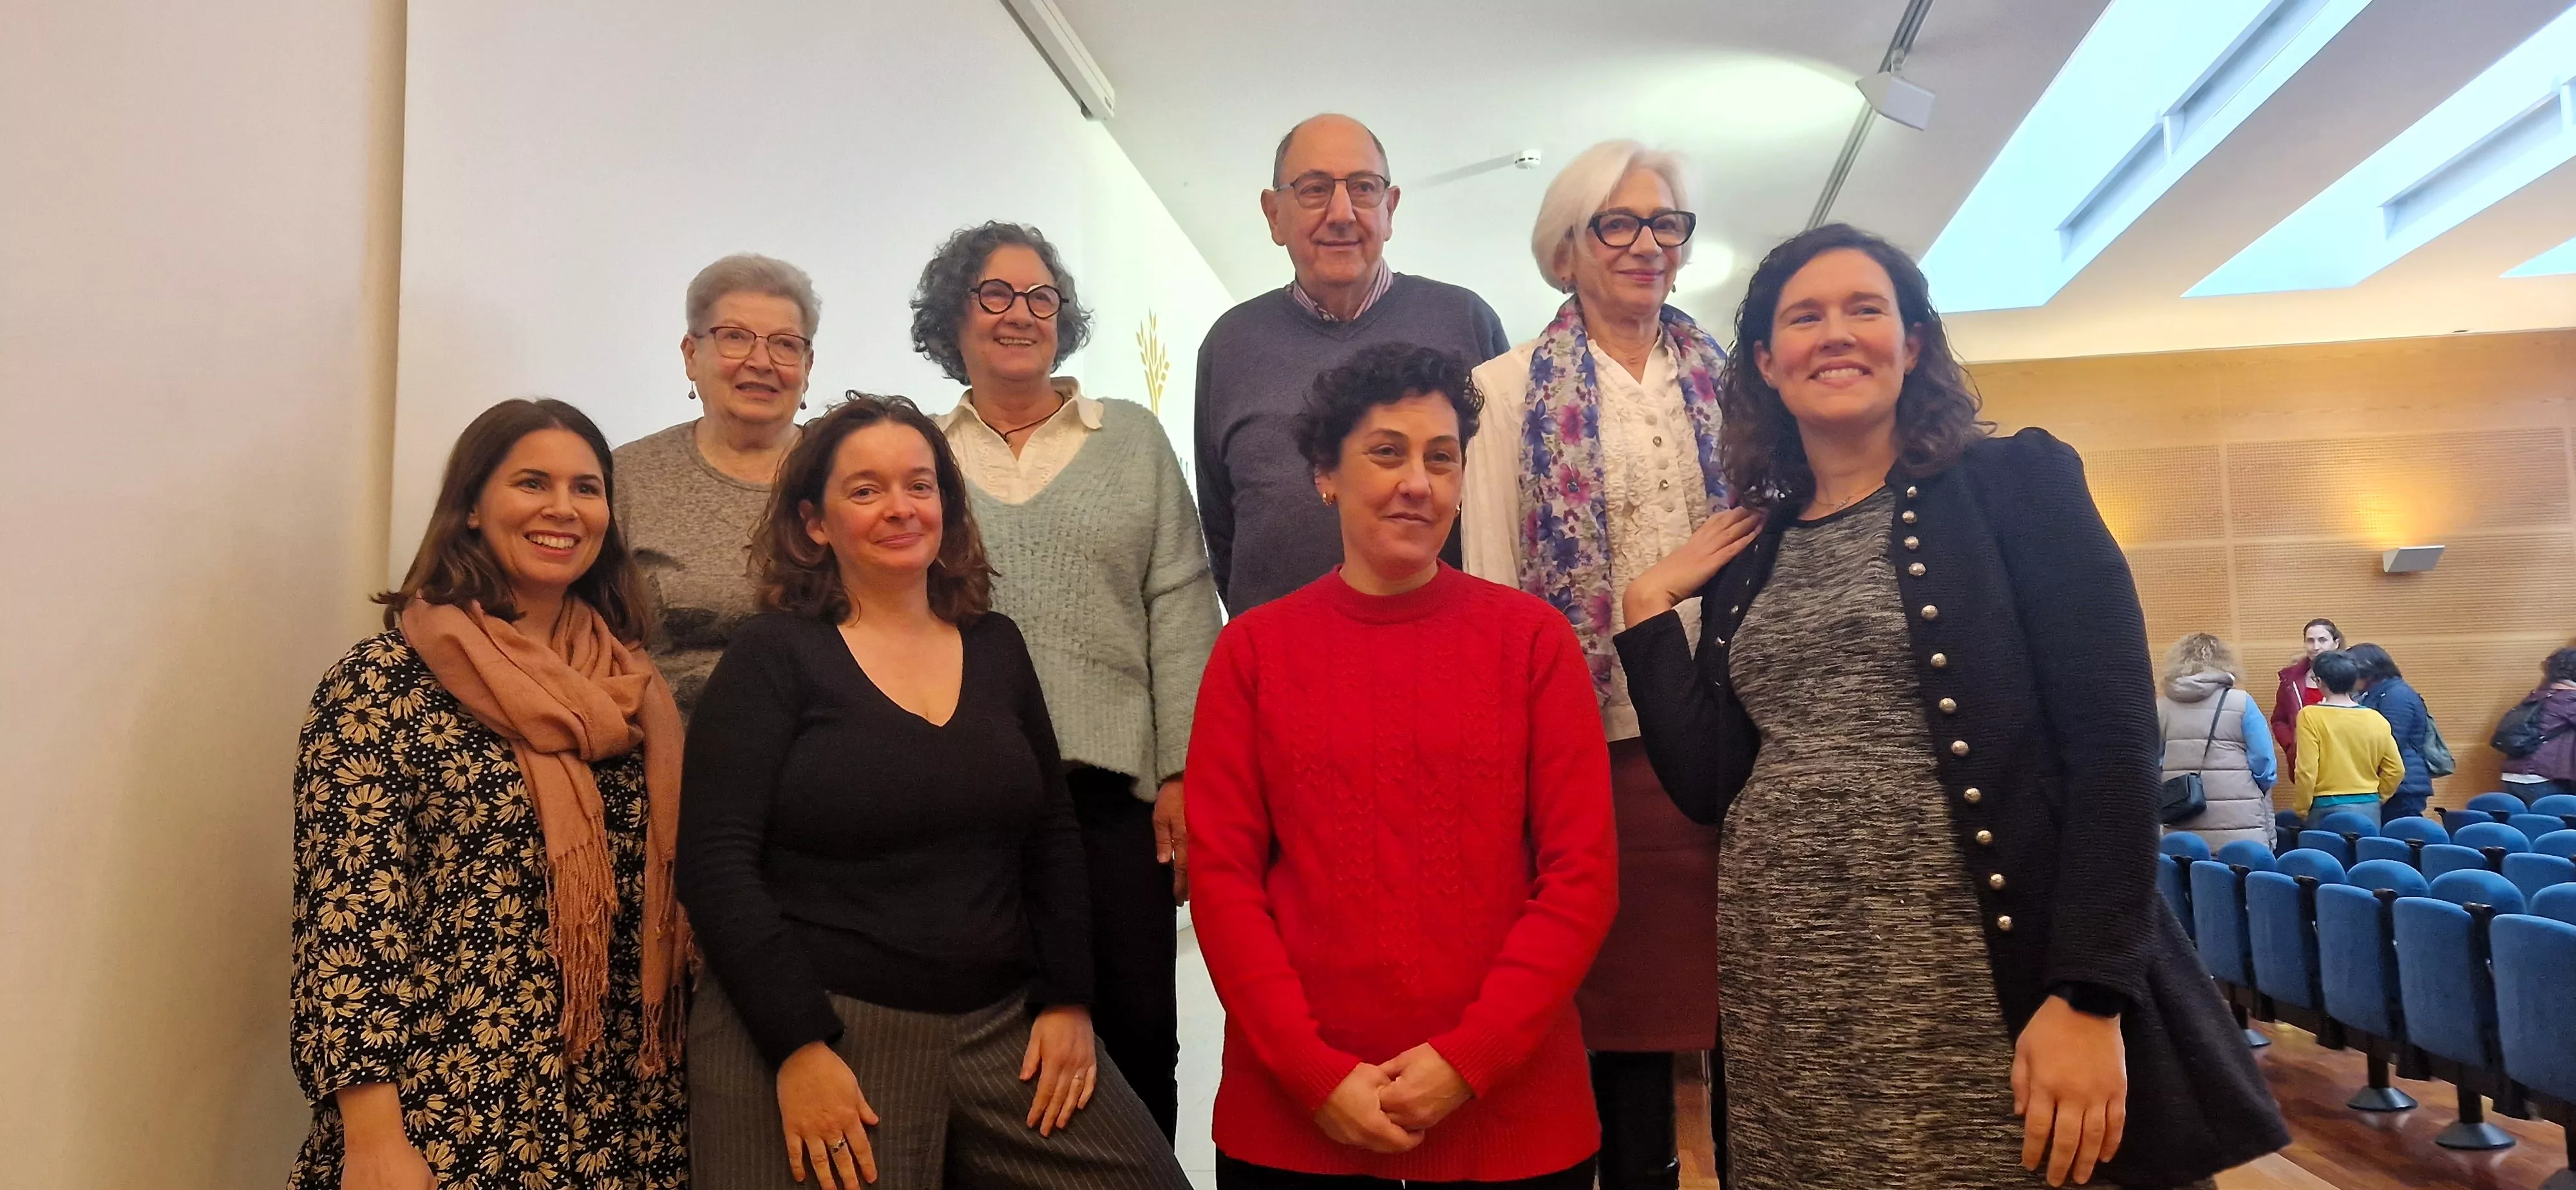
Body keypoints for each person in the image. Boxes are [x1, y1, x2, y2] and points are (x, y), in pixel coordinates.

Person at [1613, 223, 2285, 1190]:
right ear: (1765, 359)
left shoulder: (2016, 484)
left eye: (1865, 310)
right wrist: (1645, 611)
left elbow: (2114, 748)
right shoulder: (1749, 550)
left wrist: (2090, 995)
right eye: (1805, 317)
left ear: (1913, 342)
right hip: (1790, 998)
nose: (1836, 334)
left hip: (1974, 981)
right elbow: (1713, 781)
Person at [677, 395, 1188, 1190]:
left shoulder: (994, 645)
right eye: (865, 490)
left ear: (948, 508)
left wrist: (1067, 1000)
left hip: (1000, 1027)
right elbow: (714, 863)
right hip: (819, 1025)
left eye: (920, 486)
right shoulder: (772, 655)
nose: (899, 508)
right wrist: (798, 1046)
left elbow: (1049, 833)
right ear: (816, 523)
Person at [1188, 343, 1619, 1187]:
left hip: (1513, 1121)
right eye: (1386, 452)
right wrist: (1314, 1074)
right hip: (1297, 1122)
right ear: (1326, 474)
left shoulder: (1533, 643)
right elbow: (1224, 880)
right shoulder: (1253, 653)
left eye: (1441, 457)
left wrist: (1469, 1059)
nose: (1416, 481)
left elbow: (1582, 877)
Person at [289, 398, 689, 1189]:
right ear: (471, 506)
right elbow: (348, 923)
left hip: (619, 1112)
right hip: (451, 1106)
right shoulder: (380, 684)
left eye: (586, 488)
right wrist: (373, 1139)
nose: (562, 510)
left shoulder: (631, 690)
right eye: (531, 483)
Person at [913, 220, 1222, 1139]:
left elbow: (1180, 601)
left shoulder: (1130, 438)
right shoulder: (917, 451)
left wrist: (1181, 771)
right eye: (995, 295)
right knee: (987, 1042)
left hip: (1111, 802)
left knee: (1132, 1034)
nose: (1021, 315)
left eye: (1041, 297)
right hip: (959, 796)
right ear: (953, 318)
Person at [1458, 139, 1720, 1190]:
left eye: (1666, 224)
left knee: (1738, 996)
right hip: (1589, 742)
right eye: (1618, 224)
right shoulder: (1506, 384)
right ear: (1565, 251)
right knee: (1618, 1017)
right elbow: (1488, 581)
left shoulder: (1725, 379)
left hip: (1722, 739)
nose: (1646, 245)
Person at [1195, 113, 1511, 615]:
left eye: (1363, 188)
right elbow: (1220, 526)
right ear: (1274, 214)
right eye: (1315, 189)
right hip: (1282, 665)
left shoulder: (1465, 322)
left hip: (1448, 657)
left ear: (1390, 207)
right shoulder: (1230, 343)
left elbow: (1505, 499)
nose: (1342, 213)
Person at [616, 252, 821, 717]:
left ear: (807, 364)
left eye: (786, 345)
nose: (762, 361)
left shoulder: (847, 474)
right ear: (692, 355)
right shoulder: (626, 478)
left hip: (826, 757)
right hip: (665, 755)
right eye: (735, 338)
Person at [2155, 633, 2277, 851]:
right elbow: (2264, 761)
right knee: (2243, 875)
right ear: (2224, 662)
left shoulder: (2160, 707)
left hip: (2182, 813)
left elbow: (2154, 761)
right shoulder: (2241, 702)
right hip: (2240, 818)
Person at [2291, 650, 2402, 827]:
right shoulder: (2376, 718)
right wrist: (2377, 797)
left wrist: (2302, 809)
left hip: (2325, 806)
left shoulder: (2310, 715)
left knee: (2324, 856)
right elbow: (2396, 769)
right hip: (2369, 806)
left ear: (2319, 681)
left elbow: (2306, 770)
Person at [2347, 643, 2434, 822]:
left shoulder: (2396, 695)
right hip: (2394, 783)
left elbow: (2391, 742)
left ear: (2367, 669)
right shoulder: (2380, 693)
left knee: (2395, 842)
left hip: (2403, 786)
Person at [2268, 618, 2342, 777]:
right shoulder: (2291, 680)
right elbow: (2279, 720)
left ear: (2336, 643)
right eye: (2310, 641)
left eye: (2322, 640)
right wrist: (2291, 746)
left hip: (2343, 761)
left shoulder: (2352, 677)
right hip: (2305, 764)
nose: (2316, 647)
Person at [2499, 647, 2576, 799]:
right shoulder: (2569, 700)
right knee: (2556, 823)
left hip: (2514, 775)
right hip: (2541, 779)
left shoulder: (2541, 694)